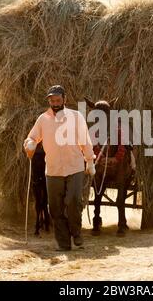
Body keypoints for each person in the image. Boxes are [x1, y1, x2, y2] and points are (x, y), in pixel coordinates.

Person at [24, 85, 96, 251]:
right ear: (49, 101)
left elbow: (85, 141)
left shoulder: (76, 117)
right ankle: (64, 243)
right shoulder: (43, 119)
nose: (55, 103)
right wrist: (30, 143)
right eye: (52, 100)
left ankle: (76, 233)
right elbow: (33, 137)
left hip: (75, 167)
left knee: (73, 201)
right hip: (53, 169)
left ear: (64, 99)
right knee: (55, 208)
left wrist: (90, 161)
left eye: (58, 100)